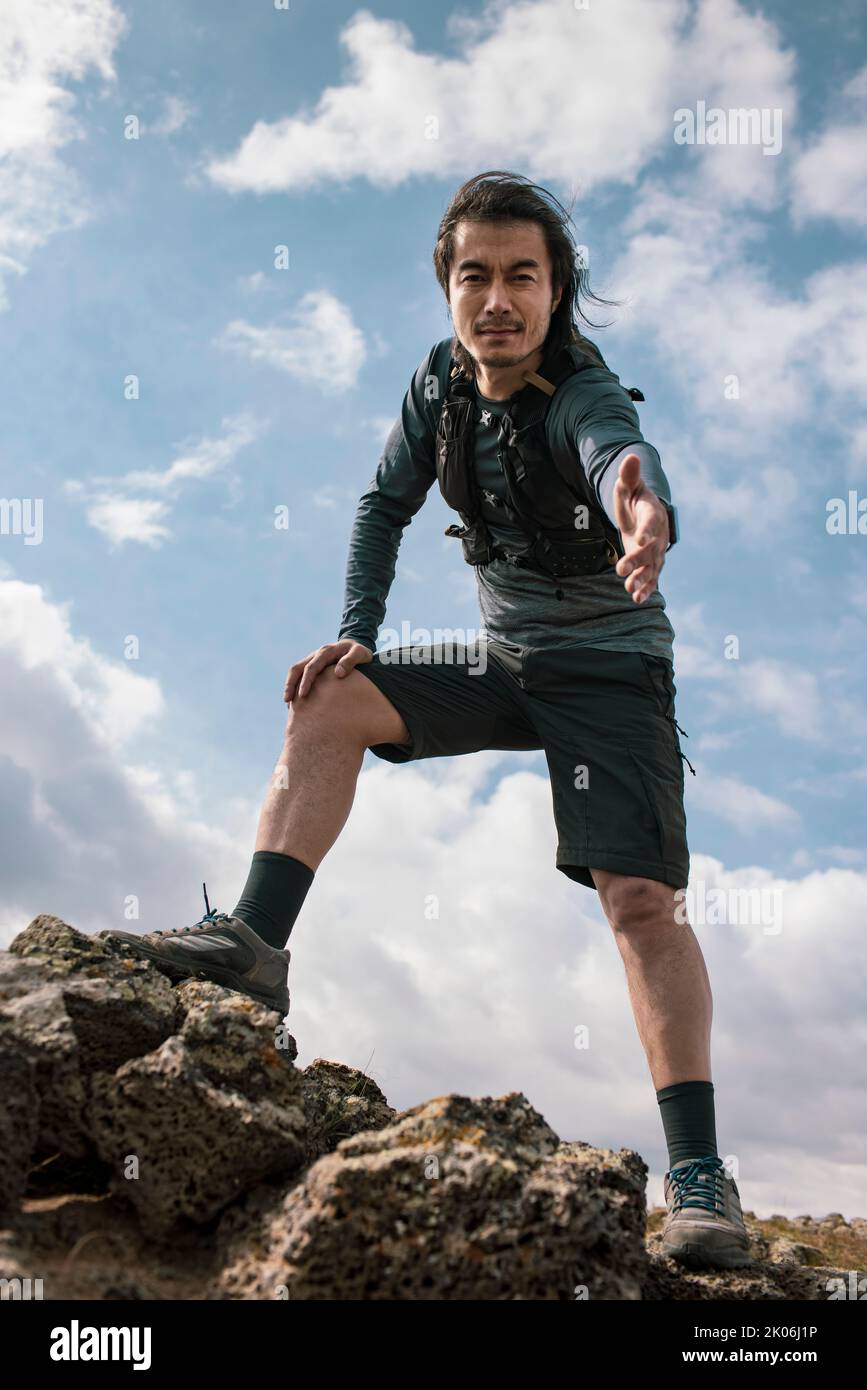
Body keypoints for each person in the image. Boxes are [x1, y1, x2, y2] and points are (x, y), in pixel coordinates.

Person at [106, 171, 750, 1270]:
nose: (496, 299)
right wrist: (356, 627)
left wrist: (644, 513)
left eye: (521, 277)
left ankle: (699, 1174)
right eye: (475, 276)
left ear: (557, 290)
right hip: (498, 660)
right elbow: (381, 504)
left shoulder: (585, 397)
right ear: (449, 286)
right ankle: (255, 944)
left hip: (608, 670)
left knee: (640, 901)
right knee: (329, 694)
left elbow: (622, 464)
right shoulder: (438, 386)